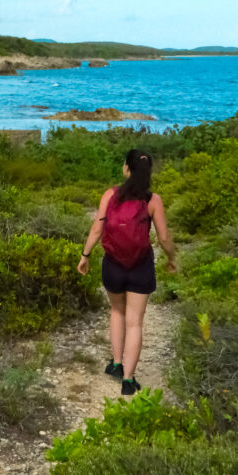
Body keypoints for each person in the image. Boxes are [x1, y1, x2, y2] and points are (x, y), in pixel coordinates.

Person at [77, 149, 176, 395]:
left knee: (117, 311)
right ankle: (129, 381)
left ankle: (117, 364)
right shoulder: (154, 201)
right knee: (135, 323)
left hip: (113, 265)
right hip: (141, 266)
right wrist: (172, 258)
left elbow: (97, 229)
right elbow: (164, 238)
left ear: (126, 169)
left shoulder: (110, 195)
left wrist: (85, 256)